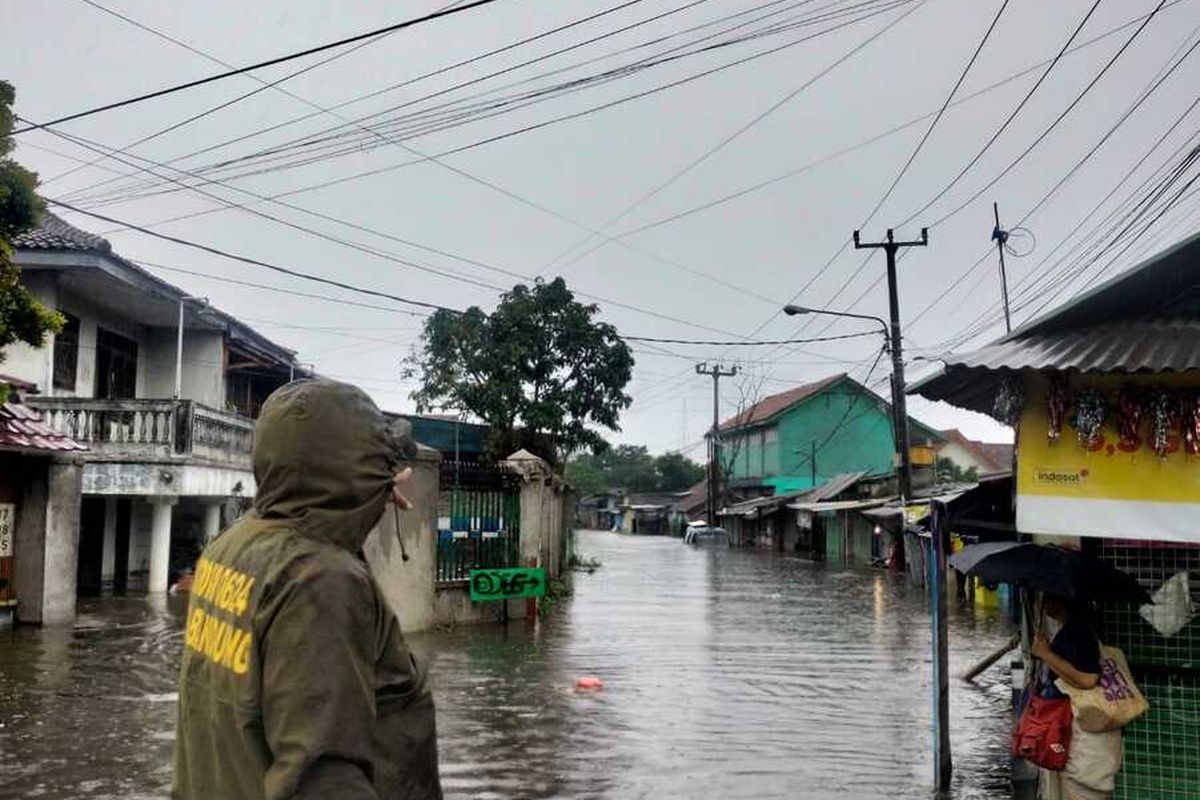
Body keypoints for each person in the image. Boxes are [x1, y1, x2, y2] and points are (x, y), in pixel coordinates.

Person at [172, 379, 443, 800]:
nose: (392, 474)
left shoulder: (232, 546)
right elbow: (323, 777)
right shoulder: (322, 581)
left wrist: (361, 503)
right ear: (355, 471)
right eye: (381, 462)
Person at [1031, 594, 1122, 800]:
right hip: (1083, 734)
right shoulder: (1077, 629)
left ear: (1062, 600)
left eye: (1048, 597)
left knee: (1081, 790)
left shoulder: (1078, 632)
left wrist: (1046, 655)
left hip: (1084, 738)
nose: (1044, 602)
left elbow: (1088, 679)